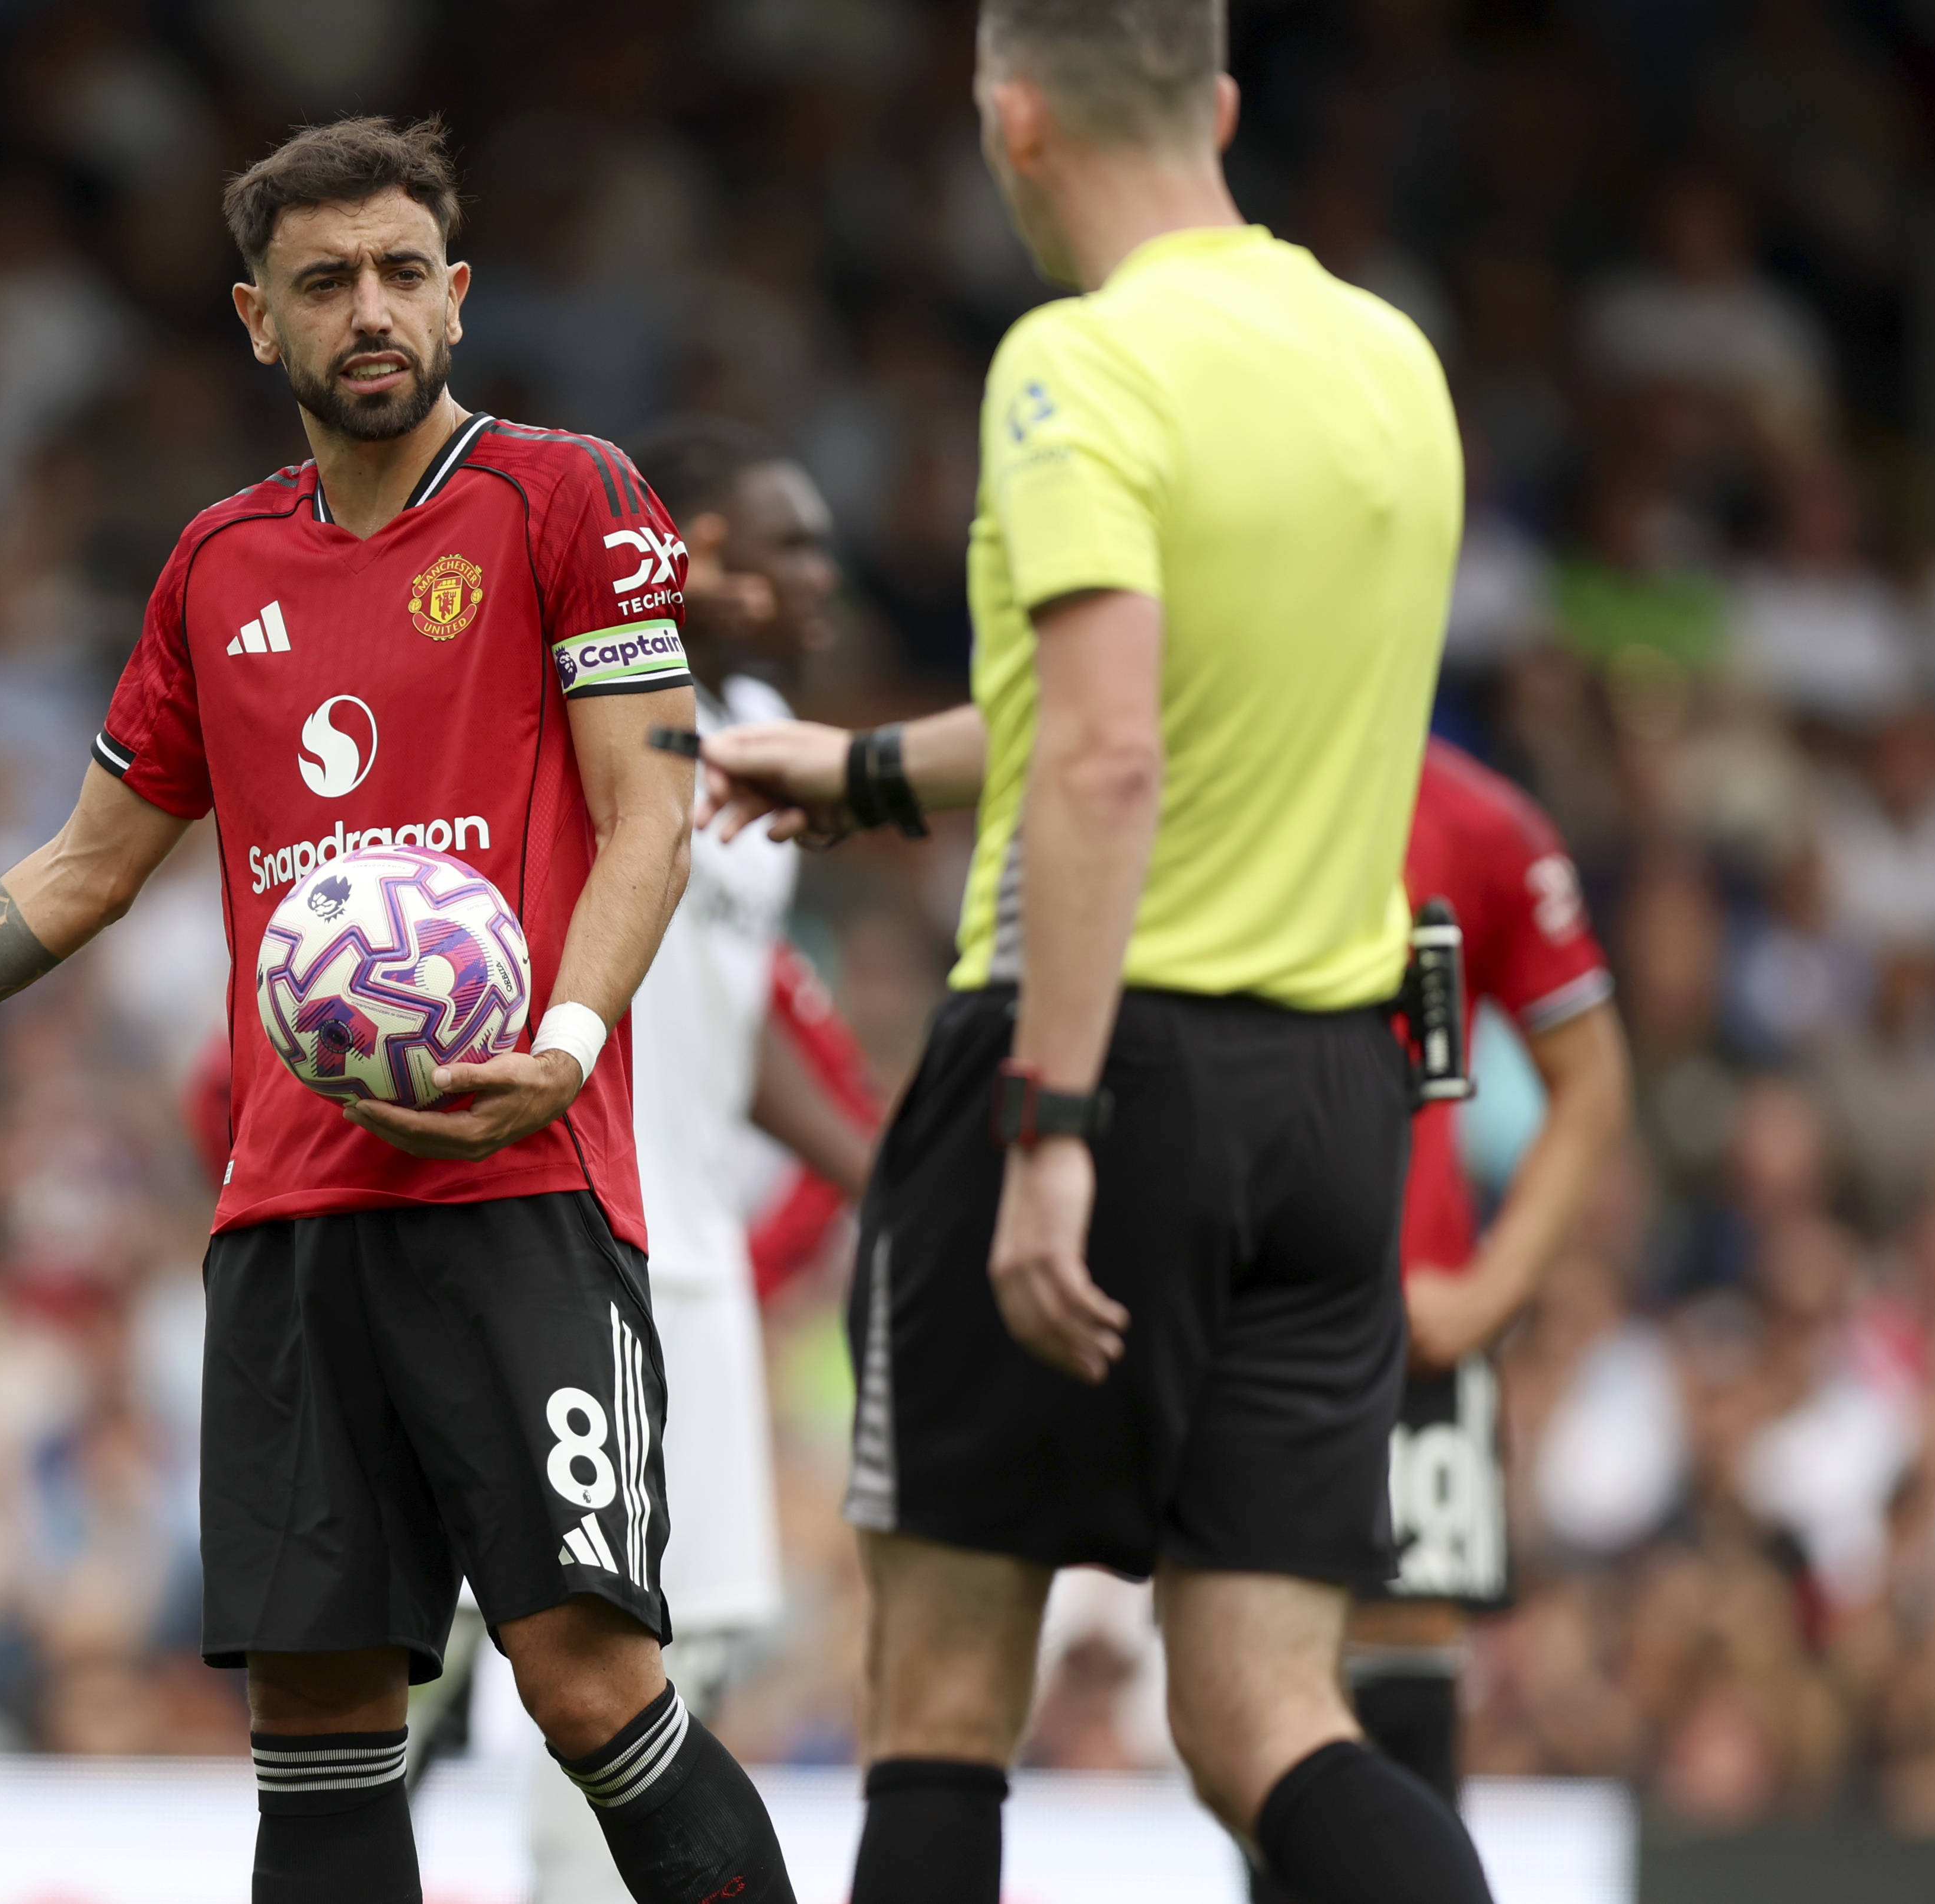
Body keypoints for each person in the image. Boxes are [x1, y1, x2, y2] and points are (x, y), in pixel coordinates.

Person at [0, 118, 795, 1904]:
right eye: (326, 281)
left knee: (587, 1680)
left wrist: (561, 1047)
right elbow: (86, 866)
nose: (372, 312)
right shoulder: (215, 568)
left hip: (523, 1190)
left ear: (459, 298)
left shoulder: (569, 499)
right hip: (291, 1214)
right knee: (323, 1711)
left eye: (405, 274)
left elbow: (650, 807)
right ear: (255, 319)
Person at [697, 4, 1493, 1900]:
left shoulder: (1079, 366)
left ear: (1012, 115)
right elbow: (1152, 710)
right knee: (1265, 1716)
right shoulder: (1389, 358)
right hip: (1336, 1100)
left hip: (1097, 1065)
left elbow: (1118, 750)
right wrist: (873, 771)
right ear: (1217, 105)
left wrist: (1048, 1121)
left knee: (944, 1697)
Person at [488, 414, 874, 1903]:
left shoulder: (766, 739)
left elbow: (733, 999)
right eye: (794, 549)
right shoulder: (562, 702)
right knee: (504, 1645)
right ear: (694, 553)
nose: (825, 579)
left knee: (677, 1648)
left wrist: (875, 1162)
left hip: (692, 1257)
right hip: (547, 1227)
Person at [1251, 736, 1629, 1904]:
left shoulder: (1481, 821)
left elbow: (1594, 1075)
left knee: (1397, 1717)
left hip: (1408, 1335)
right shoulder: (1222, 768)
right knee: (1250, 1722)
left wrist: (1492, 1287)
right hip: (1245, 1325)